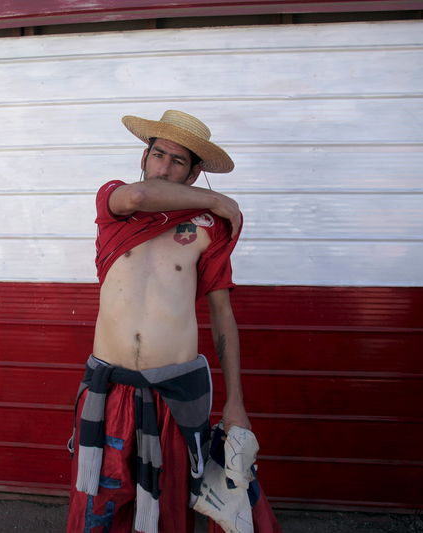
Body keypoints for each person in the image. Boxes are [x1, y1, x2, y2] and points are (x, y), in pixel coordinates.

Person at [67, 110, 277, 533]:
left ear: (195, 173)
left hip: (175, 393)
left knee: (168, 508)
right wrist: (219, 200)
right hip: (110, 387)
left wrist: (236, 402)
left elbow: (223, 315)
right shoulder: (116, 203)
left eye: (178, 161)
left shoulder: (208, 229)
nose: (163, 167)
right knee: (101, 506)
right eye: (157, 154)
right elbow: (142, 198)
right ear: (144, 157)